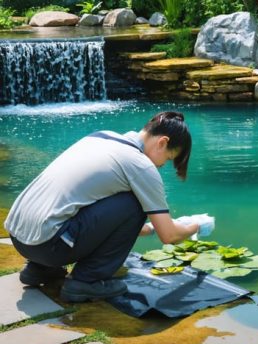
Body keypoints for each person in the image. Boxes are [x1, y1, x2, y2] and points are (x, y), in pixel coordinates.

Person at [4, 111, 214, 302]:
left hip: (20, 239)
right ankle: (86, 281)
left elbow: (96, 210)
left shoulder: (99, 137)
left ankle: (39, 269)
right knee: (136, 203)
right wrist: (196, 225)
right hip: (49, 245)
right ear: (162, 142)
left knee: (85, 201)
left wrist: (149, 229)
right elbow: (169, 236)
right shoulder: (141, 165)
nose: (162, 165)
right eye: (168, 158)